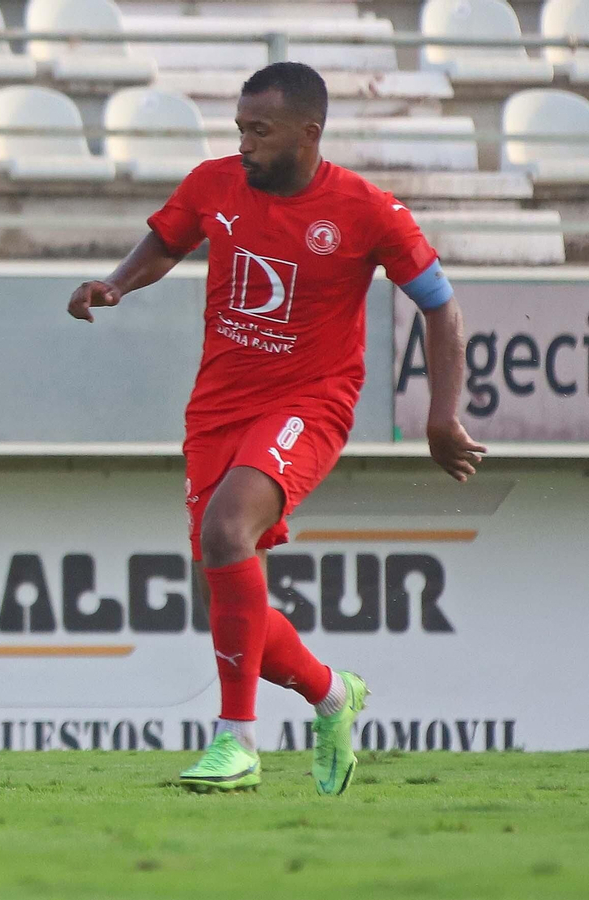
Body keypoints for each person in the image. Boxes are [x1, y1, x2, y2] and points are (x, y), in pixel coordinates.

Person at [67, 62, 485, 795]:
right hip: (217, 407)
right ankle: (330, 693)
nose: (246, 144)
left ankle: (237, 743)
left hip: (309, 403)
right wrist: (116, 284)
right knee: (229, 596)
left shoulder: (367, 210)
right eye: (240, 129)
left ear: (307, 134)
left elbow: (440, 306)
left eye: (259, 132)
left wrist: (440, 413)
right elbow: (169, 240)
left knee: (227, 534)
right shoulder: (213, 183)